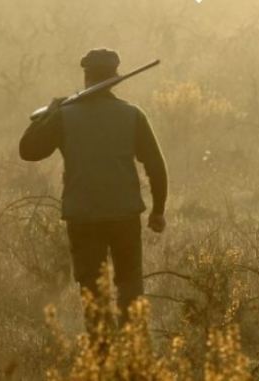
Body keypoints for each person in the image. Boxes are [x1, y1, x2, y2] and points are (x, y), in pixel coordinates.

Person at [19, 48, 168, 324]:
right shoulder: (133, 115)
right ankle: (132, 352)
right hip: (124, 215)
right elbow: (156, 166)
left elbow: (28, 150)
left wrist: (49, 114)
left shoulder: (64, 116)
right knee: (130, 287)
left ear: (86, 77)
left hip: (84, 217)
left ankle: (101, 357)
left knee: (92, 292)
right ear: (115, 77)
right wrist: (158, 210)